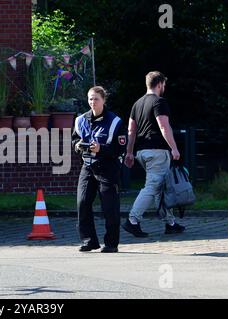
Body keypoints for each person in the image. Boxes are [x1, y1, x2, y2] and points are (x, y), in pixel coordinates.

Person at [123, 71, 186, 237]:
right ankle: (133, 220)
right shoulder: (159, 102)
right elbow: (164, 126)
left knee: (160, 188)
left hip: (142, 153)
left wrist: (129, 153)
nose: (164, 87)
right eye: (163, 85)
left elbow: (131, 131)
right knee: (152, 187)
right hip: (157, 152)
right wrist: (174, 148)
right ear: (159, 84)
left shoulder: (137, 104)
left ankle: (170, 223)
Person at [72, 86, 126, 253]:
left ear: (103, 100)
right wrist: (78, 146)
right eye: (90, 99)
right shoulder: (80, 120)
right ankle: (89, 241)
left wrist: (101, 149)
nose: (92, 102)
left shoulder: (115, 121)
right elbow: (74, 141)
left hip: (108, 167)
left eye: (96, 99)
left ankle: (111, 243)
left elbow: (119, 148)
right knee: (82, 202)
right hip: (87, 166)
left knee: (109, 206)